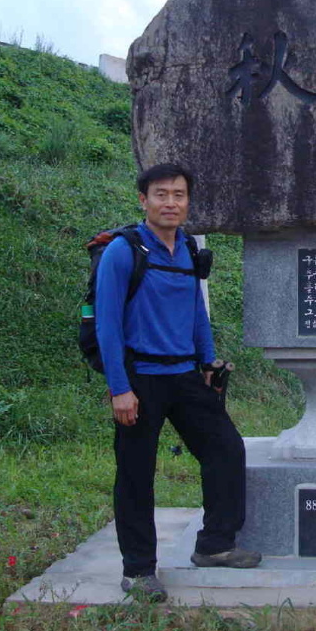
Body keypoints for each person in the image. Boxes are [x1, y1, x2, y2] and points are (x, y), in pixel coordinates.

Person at [96, 162, 260, 603]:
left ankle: (215, 544)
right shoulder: (123, 251)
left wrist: (207, 361)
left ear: (189, 201)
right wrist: (119, 388)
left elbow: (195, 311)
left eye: (179, 195)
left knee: (225, 449)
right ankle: (138, 570)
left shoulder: (188, 248)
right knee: (136, 474)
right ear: (143, 200)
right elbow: (107, 327)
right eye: (161, 194)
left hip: (186, 375)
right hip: (140, 379)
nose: (171, 202)